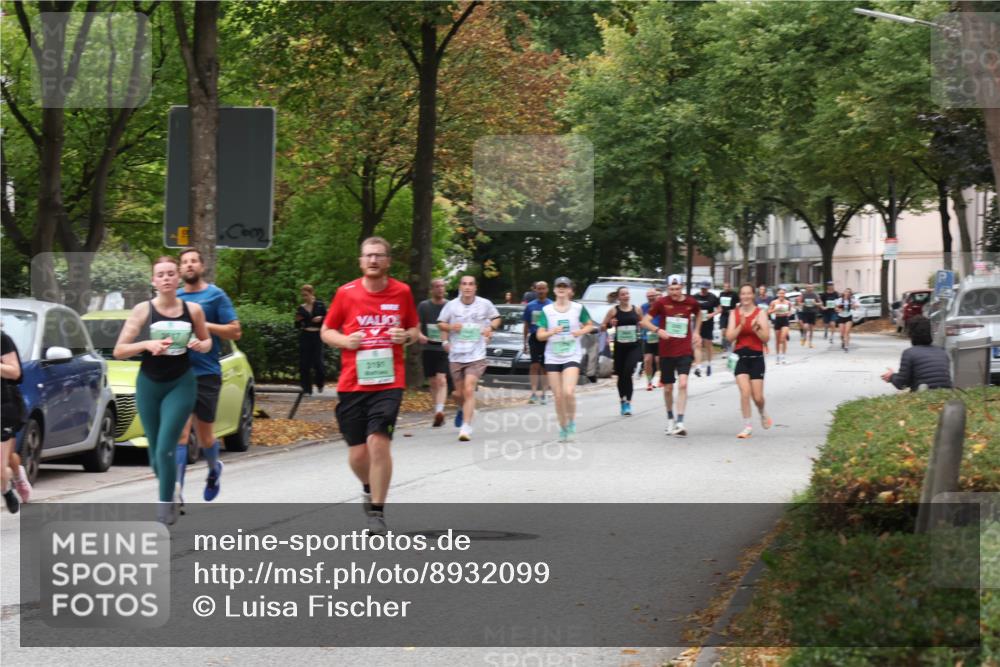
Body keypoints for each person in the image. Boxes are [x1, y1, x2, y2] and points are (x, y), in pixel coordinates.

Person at [322, 237, 419, 535]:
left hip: (389, 381)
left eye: (379, 256)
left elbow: (414, 328)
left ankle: (376, 513)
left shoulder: (402, 292)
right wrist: (345, 341)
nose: (374, 260)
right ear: (361, 261)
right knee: (358, 454)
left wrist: (406, 337)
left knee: (378, 441)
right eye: (368, 256)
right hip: (353, 383)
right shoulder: (346, 293)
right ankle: (368, 486)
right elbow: (326, 331)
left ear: (388, 261)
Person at [114, 256, 212, 524]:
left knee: (165, 447)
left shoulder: (193, 310)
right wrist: (146, 345)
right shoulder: (143, 311)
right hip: (149, 384)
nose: (167, 278)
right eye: (161, 274)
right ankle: (174, 490)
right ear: (153, 281)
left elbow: (207, 341)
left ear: (178, 277)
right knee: (155, 452)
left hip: (181, 383)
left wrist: (201, 345)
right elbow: (119, 351)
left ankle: (163, 509)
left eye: (171, 273)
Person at [176, 247, 242, 506]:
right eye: (185, 262)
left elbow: (235, 332)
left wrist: (203, 324)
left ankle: (214, 469)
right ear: (180, 269)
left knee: (205, 437)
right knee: (180, 435)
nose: (190, 265)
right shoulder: (175, 297)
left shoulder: (215, 296)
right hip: (178, 374)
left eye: (194, 261)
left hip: (206, 374)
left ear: (202, 267)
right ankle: (176, 493)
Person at [438, 275, 501, 442]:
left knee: (468, 389)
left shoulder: (484, 304)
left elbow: (496, 318)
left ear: (475, 287)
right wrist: (451, 327)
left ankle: (466, 428)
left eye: (471, 284)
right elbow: (441, 324)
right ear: (460, 287)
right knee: (458, 394)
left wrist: (490, 327)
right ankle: (463, 408)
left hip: (476, 354)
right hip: (457, 354)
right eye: (464, 284)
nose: (467, 287)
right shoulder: (451, 306)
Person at [641, 279, 702, 437]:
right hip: (666, 351)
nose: (674, 292)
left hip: (684, 350)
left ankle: (680, 422)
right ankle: (670, 418)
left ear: (681, 287)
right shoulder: (662, 302)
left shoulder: (691, 302)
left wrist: (696, 332)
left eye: (677, 289)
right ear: (668, 289)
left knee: (683, 384)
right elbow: (644, 321)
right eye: (671, 289)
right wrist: (657, 330)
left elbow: (699, 314)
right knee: (668, 388)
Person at [535, 277, 594, 441]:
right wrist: (551, 332)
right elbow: (539, 335)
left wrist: (580, 332)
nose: (561, 289)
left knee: (568, 391)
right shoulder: (547, 311)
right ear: (554, 290)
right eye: (559, 286)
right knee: (558, 396)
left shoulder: (578, 308)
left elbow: (589, 325)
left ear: (570, 290)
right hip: (552, 356)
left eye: (565, 286)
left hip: (572, 354)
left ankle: (572, 421)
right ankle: (563, 427)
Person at [726, 284, 773, 438]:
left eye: (748, 294)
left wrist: (756, 329)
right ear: (740, 296)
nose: (745, 297)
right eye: (743, 294)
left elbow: (766, 338)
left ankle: (762, 411)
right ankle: (747, 426)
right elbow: (729, 337)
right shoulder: (735, 313)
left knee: (757, 397)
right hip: (740, 357)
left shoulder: (760, 313)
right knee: (745, 391)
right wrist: (741, 325)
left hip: (756, 357)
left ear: (753, 296)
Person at [601, 286, 643, 416]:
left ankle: (628, 403)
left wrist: (641, 327)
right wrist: (610, 324)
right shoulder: (613, 311)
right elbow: (602, 327)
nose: (626, 296)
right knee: (621, 375)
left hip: (634, 345)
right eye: (623, 294)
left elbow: (643, 322)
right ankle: (622, 401)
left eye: (627, 294)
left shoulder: (637, 309)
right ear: (619, 297)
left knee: (628, 371)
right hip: (620, 347)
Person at [881, 316, 952, 391]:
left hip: (923, 396)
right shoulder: (942, 352)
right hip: (946, 395)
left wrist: (891, 376)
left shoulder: (909, 353)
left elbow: (901, 384)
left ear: (911, 334)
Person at [417, 278, 450, 427]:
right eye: (437, 286)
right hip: (429, 348)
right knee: (432, 382)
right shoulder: (424, 306)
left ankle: (440, 411)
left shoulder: (450, 306)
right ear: (432, 289)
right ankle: (437, 411)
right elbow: (416, 326)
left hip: (443, 348)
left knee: (441, 380)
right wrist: (420, 335)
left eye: (442, 286)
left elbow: (454, 326)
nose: (440, 289)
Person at [1, 331, 28, 513]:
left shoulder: (2, 339)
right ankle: (9, 484)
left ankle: (12, 482)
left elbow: (15, 371)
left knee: (1, 465)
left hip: (3, 406)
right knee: (7, 460)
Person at [522, 281, 552, 405]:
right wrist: (524, 342)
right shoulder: (530, 306)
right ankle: (534, 393)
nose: (540, 291)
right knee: (534, 365)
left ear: (547, 290)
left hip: (547, 338)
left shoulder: (551, 305)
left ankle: (544, 393)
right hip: (534, 337)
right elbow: (526, 325)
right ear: (535, 290)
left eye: (543, 289)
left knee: (545, 367)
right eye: (538, 289)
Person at [295, 284, 327, 396]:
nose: (304, 297)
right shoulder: (301, 308)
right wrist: (298, 320)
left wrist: (321, 318)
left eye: (306, 295)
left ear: (312, 293)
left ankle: (320, 383)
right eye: (303, 295)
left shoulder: (320, 305)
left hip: (317, 335)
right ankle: (306, 389)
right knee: (304, 363)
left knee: (318, 362)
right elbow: (297, 325)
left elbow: (329, 319)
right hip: (305, 335)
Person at [692, 280, 720, 376]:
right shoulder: (695, 297)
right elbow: (691, 308)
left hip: (708, 323)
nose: (703, 290)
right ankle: (698, 367)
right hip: (697, 323)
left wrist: (711, 314)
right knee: (698, 344)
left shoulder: (712, 297)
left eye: (705, 288)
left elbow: (720, 309)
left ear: (708, 288)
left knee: (708, 344)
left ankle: (709, 364)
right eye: (702, 288)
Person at [640, 289, 662, 390]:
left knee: (658, 360)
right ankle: (649, 382)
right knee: (647, 360)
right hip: (647, 337)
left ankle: (661, 378)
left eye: (653, 296)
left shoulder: (661, 307)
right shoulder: (644, 307)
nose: (651, 298)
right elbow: (639, 319)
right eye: (649, 296)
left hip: (659, 337)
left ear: (656, 296)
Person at [767, 287, 794, 364]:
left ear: (785, 294)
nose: (781, 295)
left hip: (785, 320)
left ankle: (783, 356)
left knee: (783, 339)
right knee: (778, 340)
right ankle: (778, 356)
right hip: (777, 320)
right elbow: (768, 312)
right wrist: (774, 310)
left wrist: (789, 313)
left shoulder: (788, 302)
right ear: (778, 294)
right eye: (780, 293)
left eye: (783, 293)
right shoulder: (774, 302)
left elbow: (791, 311)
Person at [836, 287, 860, 352]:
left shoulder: (852, 300)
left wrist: (853, 306)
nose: (847, 293)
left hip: (848, 317)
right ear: (844, 292)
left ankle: (846, 346)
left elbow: (857, 306)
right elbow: (835, 308)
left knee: (847, 332)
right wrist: (838, 309)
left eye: (849, 292)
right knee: (841, 334)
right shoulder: (840, 300)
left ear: (850, 293)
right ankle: (843, 342)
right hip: (841, 317)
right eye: (846, 291)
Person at [797, 283, 820, 348]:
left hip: (813, 312)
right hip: (805, 312)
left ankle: (810, 343)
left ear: (813, 288)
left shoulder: (815, 295)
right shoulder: (803, 295)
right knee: (806, 326)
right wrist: (803, 303)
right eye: (808, 287)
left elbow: (820, 303)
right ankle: (804, 336)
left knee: (811, 329)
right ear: (806, 288)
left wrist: (815, 303)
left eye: (811, 287)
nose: (810, 288)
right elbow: (799, 302)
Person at [717, 282, 738, 353]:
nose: (726, 288)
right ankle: (724, 347)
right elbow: (719, 303)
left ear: (730, 287)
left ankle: (729, 345)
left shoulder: (734, 294)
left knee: (730, 331)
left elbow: (738, 304)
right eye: (725, 287)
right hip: (723, 314)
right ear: (723, 287)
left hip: (731, 315)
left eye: (728, 287)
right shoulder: (721, 294)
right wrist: (719, 308)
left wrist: (733, 310)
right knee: (723, 331)